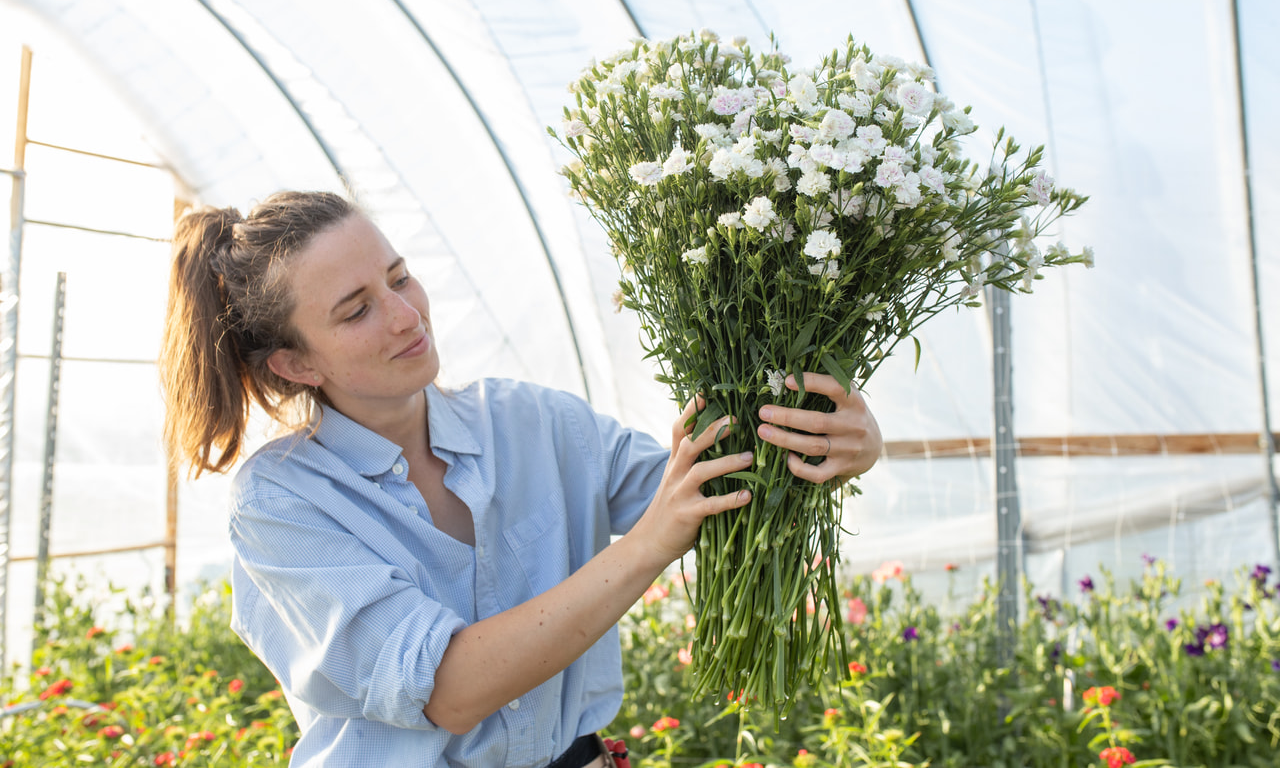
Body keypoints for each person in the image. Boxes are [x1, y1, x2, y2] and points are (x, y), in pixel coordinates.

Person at [160, 190, 882, 768]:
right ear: (296, 364)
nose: (407, 315)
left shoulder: (531, 421)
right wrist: (646, 545)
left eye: (399, 275)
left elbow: (711, 493)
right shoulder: (283, 501)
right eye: (357, 310)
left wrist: (840, 438)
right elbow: (449, 690)